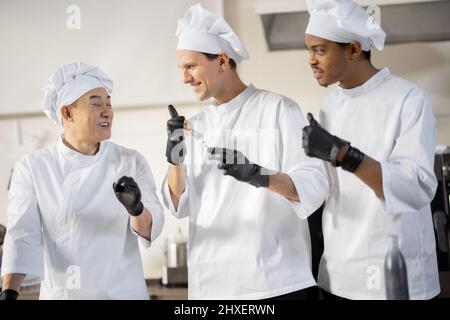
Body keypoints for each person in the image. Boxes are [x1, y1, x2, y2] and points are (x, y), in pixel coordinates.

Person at [161, 4, 329, 300]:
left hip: (275, 283)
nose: (184, 78)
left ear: (223, 61)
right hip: (213, 287)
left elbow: (314, 186)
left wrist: (259, 175)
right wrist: (175, 158)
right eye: (181, 69)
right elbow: (178, 206)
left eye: (191, 66)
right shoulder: (195, 125)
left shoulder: (279, 110)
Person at [301, 0, 440, 299]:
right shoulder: (331, 104)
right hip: (339, 275)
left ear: (353, 49)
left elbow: (416, 187)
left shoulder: (408, 99)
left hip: (395, 274)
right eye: (308, 49)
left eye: (320, 50)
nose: (310, 60)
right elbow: (329, 189)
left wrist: (345, 155)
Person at [0, 62, 164, 300]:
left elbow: (150, 228)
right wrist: (9, 293)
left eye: (109, 102)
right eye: (96, 103)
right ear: (67, 113)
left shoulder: (130, 161)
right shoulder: (34, 167)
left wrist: (136, 209)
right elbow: (22, 235)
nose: (107, 111)